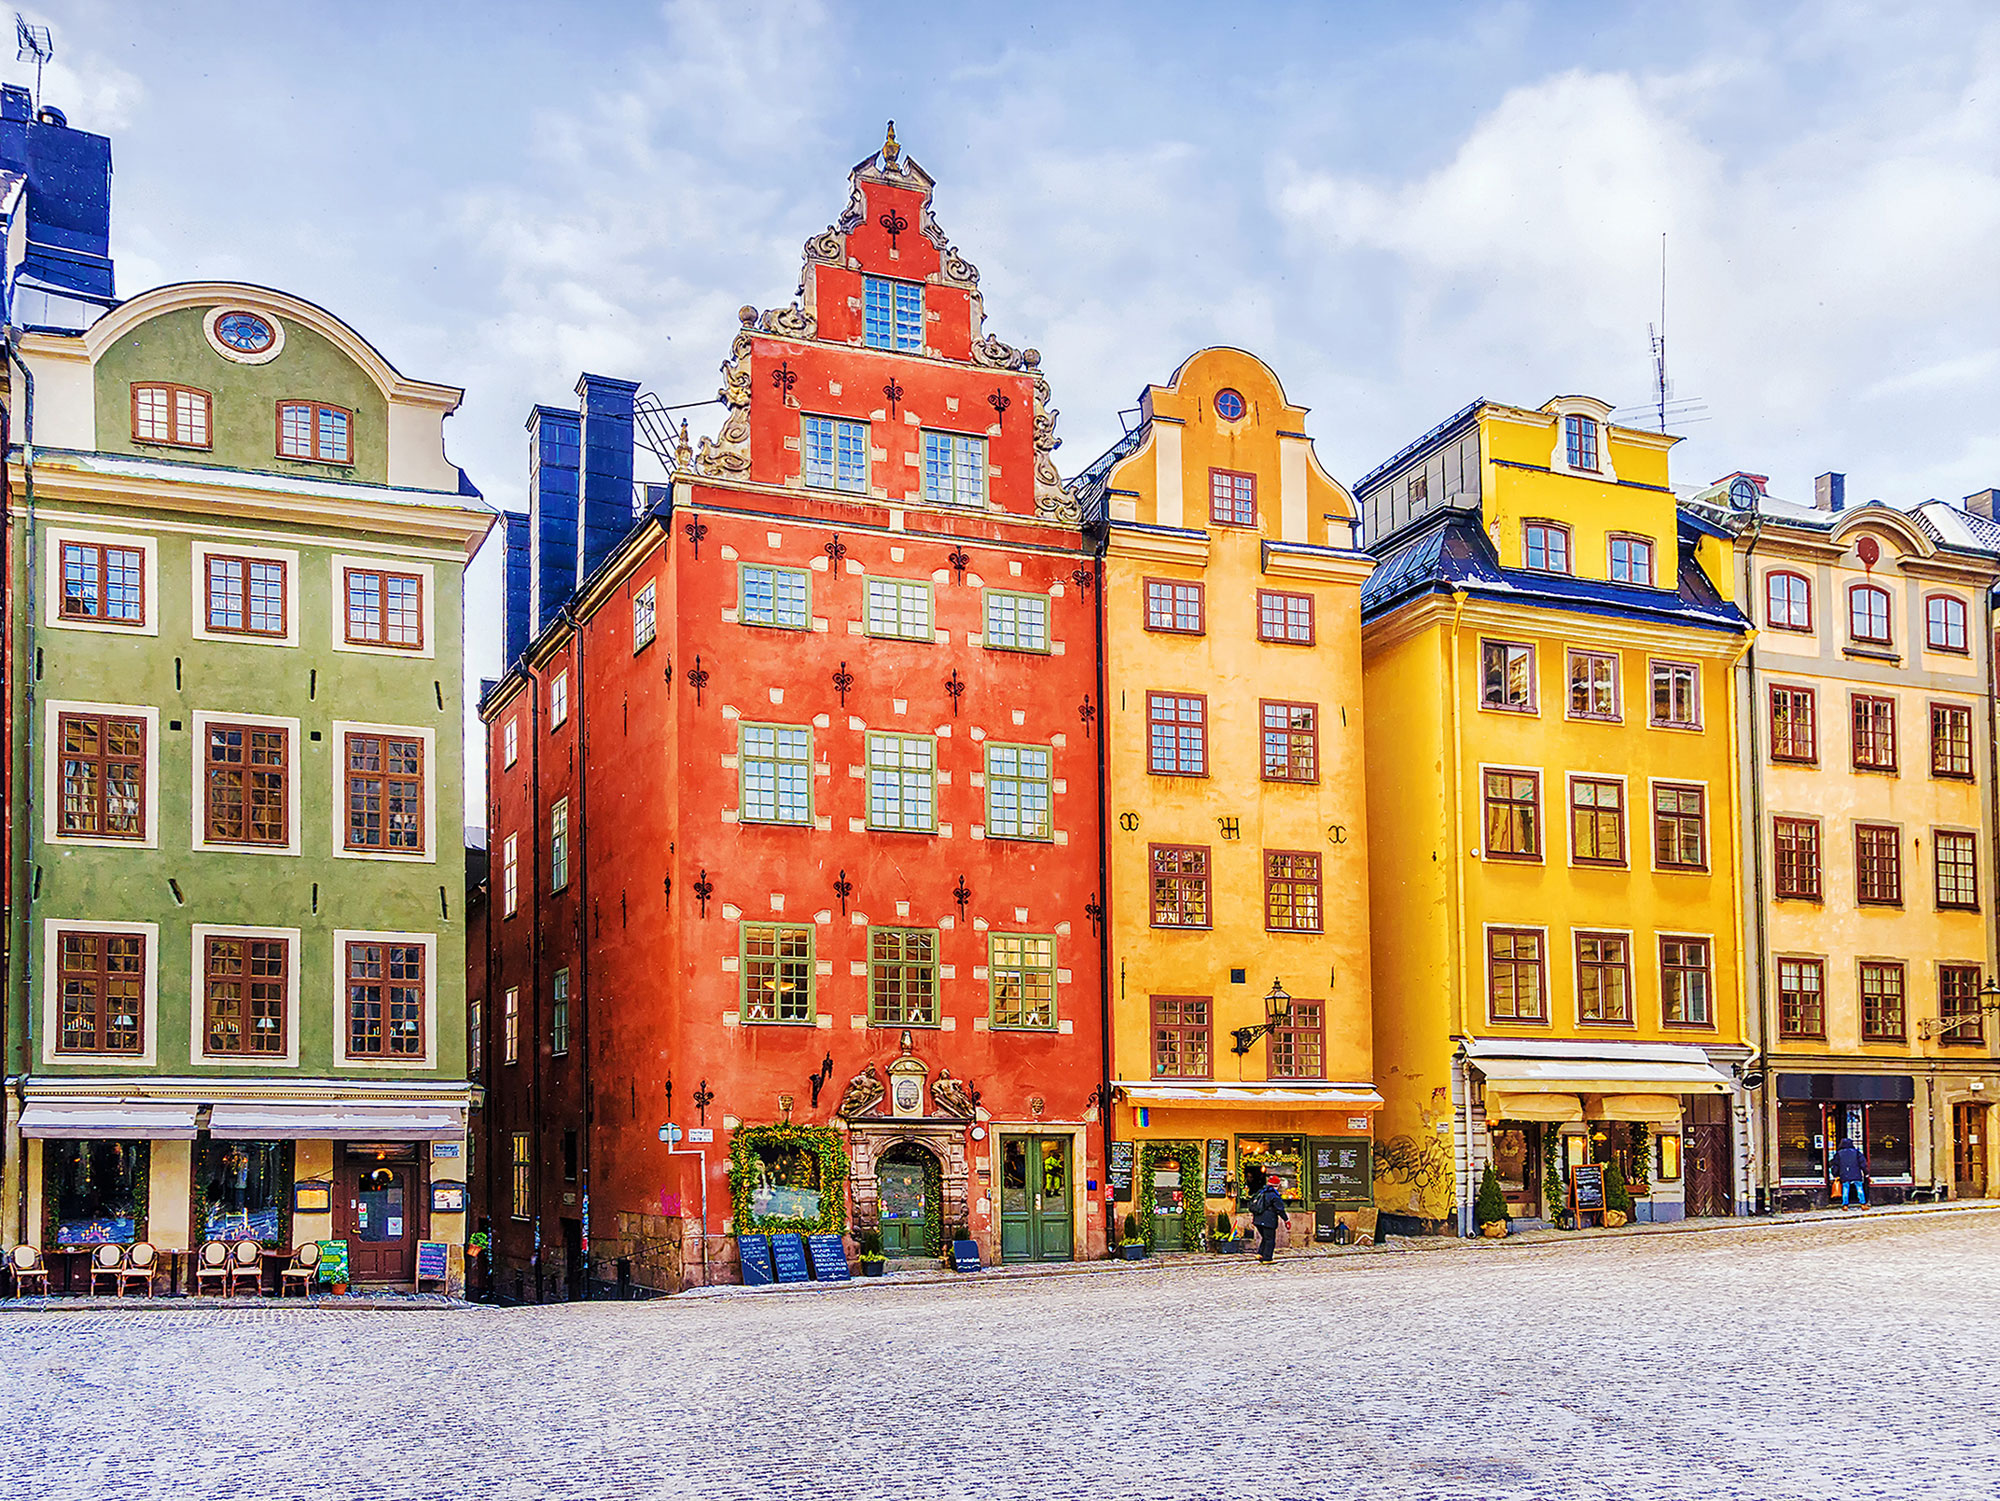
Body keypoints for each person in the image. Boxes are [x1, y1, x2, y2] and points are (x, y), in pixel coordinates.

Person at [1247, 1165, 1288, 1263]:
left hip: (1257, 1220)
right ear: (1277, 1185)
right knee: (1270, 1240)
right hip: (1268, 1220)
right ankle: (1267, 1258)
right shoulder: (1274, 1195)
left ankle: (1260, 1253)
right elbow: (1280, 1209)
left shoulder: (1261, 1192)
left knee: (1265, 1237)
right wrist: (1286, 1219)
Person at [1830, 1136, 1868, 1207]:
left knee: (1845, 1189)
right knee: (1859, 1188)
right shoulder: (1856, 1152)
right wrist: (1866, 1172)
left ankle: (1845, 1204)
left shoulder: (1839, 1154)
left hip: (1844, 1173)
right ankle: (1863, 1203)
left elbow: (1835, 1165)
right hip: (1856, 1173)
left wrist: (1835, 1174)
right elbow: (1863, 1163)